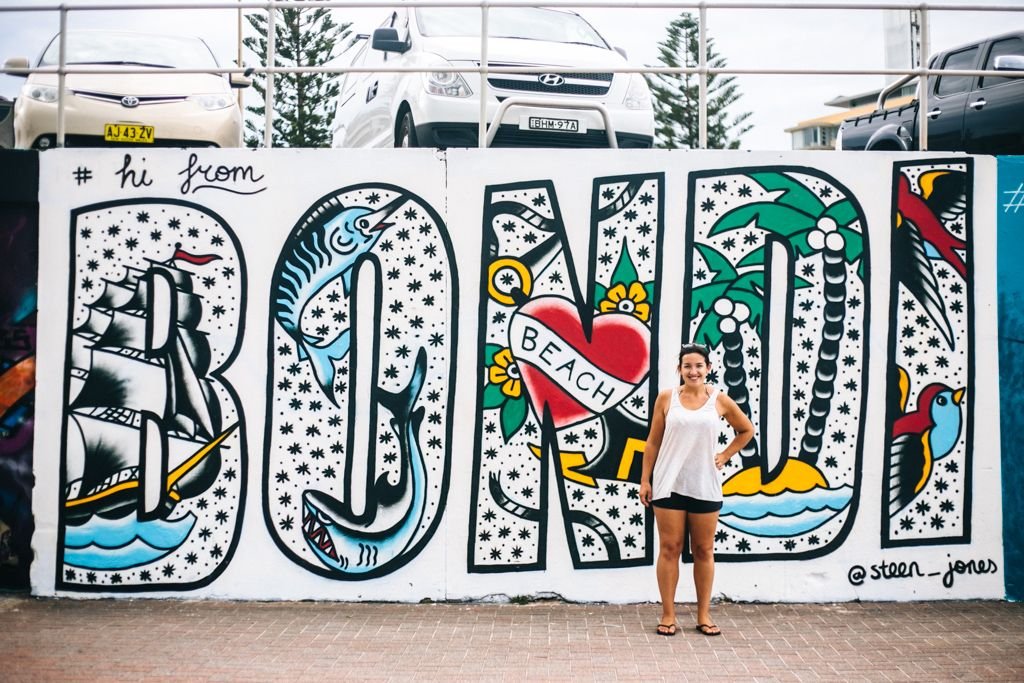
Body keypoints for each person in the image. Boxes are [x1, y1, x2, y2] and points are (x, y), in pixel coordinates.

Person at [639, 343, 754, 637]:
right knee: (670, 548)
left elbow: (746, 430)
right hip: (669, 484)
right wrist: (645, 480)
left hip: (705, 484)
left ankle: (704, 614)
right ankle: (668, 615)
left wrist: (726, 455)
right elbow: (652, 442)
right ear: (680, 369)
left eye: (699, 366)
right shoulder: (667, 399)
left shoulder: (719, 400)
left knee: (703, 550)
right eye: (687, 366)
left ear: (709, 369)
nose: (693, 371)